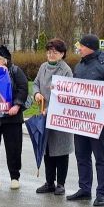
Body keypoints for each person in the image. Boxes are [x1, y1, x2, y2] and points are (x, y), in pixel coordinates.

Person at [68, 33, 104, 207]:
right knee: (81, 155)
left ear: (89, 47)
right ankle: (84, 189)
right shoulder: (80, 65)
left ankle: (102, 193)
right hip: (80, 118)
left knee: (101, 157)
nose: (78, 49)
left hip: (98, 120)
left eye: (81, 46)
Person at [0, 46, 28, 190]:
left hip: (12, 118)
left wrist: (17, 105)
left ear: (5, 61)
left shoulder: (15, 71)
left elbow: (23, 88)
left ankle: (15, 178)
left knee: (13, 148)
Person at [32, 38, 73, 196]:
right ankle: (49, 182)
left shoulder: (66, 70)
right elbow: (35, 83)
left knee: (61, 151)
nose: (51, 55)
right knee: (47, 150)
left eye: (55, 52)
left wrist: (50, 109)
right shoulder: (43, 67)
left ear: (62, 54)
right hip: (44, 115)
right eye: (49, 52)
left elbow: (66, 94)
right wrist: (36, 93)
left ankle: (61, 184)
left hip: (60, 116)